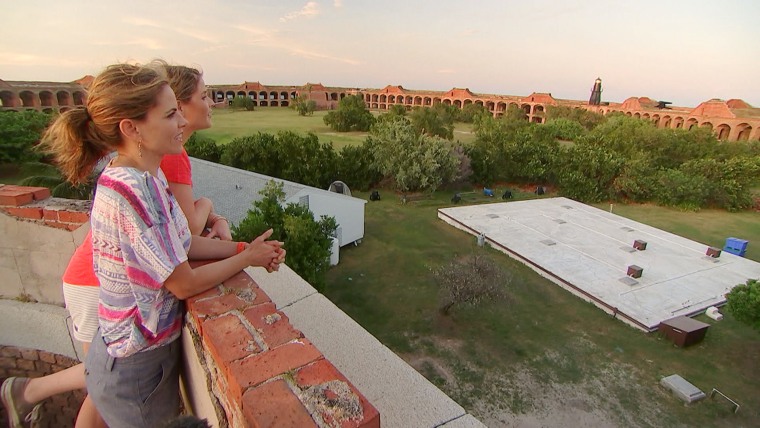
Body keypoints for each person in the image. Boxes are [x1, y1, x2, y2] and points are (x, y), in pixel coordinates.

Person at [1, 63, 237, 428]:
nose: (183, 121)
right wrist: (244, 253)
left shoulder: (145, 174)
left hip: (120, 331)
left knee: (101, 387)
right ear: (132, 127)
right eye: (173, 112)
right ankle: (24, 392)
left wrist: (239, 249)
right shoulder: (138, 182)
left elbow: (179, 240)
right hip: (120, 325)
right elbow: (184, 265)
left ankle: (25, 392)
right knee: (104, 390)